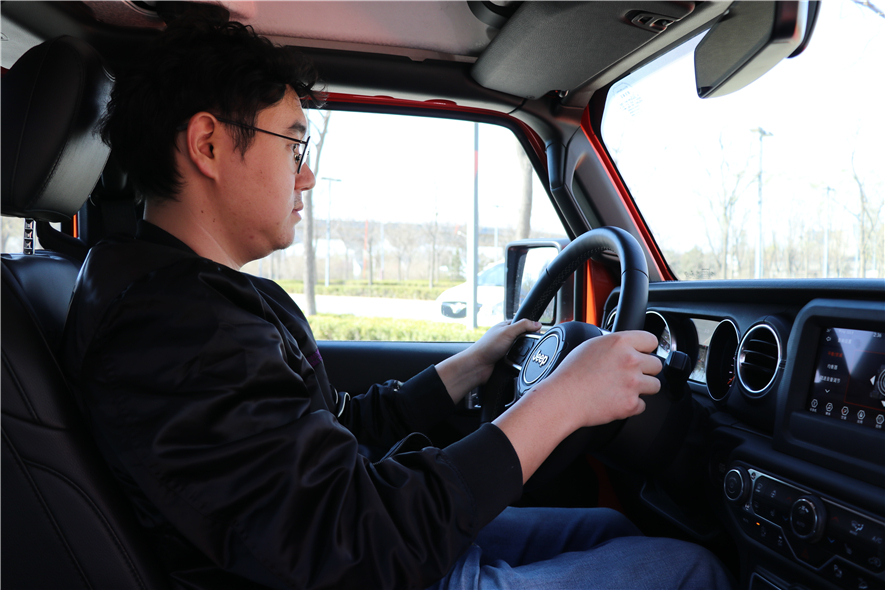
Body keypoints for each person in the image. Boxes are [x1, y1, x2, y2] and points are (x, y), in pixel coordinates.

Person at [62, 17, 734, 590]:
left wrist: (469, 367)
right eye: (293, 144)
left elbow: (333, 429)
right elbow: (352, 542)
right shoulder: (175, 329)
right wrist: (561, 401)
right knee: (688, 568)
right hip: (364, 561)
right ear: (208, 145)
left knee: (610, 525)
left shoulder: (189, 299)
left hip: (357, 540)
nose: (307, 175)